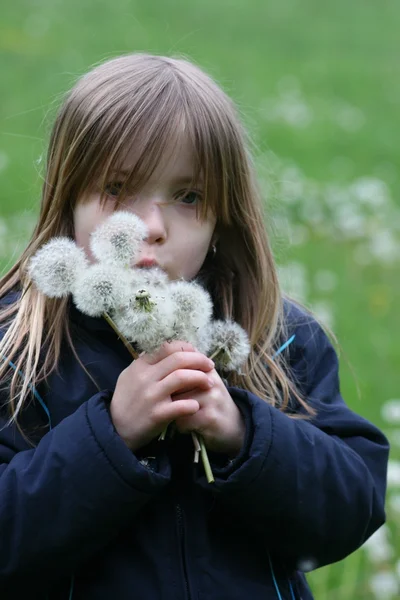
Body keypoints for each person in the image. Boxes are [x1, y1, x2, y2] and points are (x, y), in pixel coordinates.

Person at [0, 53, 389, 600]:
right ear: (67, 199)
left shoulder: (278, 340)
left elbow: (350, 511)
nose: (152, 227)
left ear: (222, 216)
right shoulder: (20, 354)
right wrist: (108, 438)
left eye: (188, 197)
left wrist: (245, 433)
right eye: (117, 188)